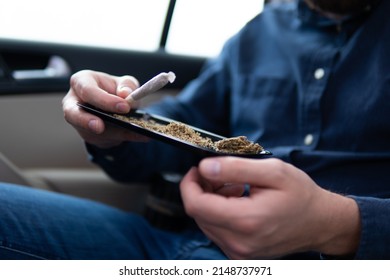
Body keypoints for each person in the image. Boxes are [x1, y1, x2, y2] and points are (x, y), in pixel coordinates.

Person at [1, 0, 389, 259]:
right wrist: (112, 123)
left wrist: (338, 224)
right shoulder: (260, 32)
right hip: (175, 244)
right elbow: (186, 123)